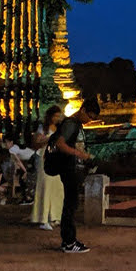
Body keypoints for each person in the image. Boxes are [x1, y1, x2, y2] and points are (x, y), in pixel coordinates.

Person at [49, 99, 97, 253]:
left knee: (72, 204)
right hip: (68, 168)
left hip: (72, 168)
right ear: (82, 110)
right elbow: (60, 144)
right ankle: (69, 242)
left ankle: (69, 240)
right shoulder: (71, 124)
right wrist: (80, 154)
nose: (90, 121)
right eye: (89, 116)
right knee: (70, 205)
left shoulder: (76, 125)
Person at [30, 105, 64, 230]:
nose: (57, 118)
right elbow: (35, 144)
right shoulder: (43, 129)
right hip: (44, 159)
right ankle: (42, 218)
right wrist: (49, 139)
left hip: (57, 159)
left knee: (58, 187)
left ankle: (55, 216)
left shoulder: (59, 128)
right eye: (55, 116)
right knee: (45, 187)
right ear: (50, 116)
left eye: (58, 116)